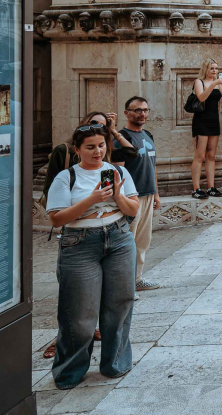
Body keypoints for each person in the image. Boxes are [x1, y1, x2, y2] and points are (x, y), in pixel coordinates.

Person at [46, 122, 140, 389]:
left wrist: (117, 194)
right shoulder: (67, 177)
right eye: (90, 147)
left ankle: (115, 363)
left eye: (101, 145)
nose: (97, 151)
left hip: (119, 237)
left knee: (120, 304)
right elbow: (56, 218)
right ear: (77, 150)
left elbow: (132, 209)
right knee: (79, 314)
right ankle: (69, 372)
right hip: (79, 243)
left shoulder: (117, 170)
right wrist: (92, 198)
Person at [114, 97, 161, 293]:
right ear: (126, 113)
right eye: (137, 110)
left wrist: (156, 193)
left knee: (143, 241)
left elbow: (152, 167)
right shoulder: (120, 138)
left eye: (145, 110)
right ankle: (123, 286)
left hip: (148, 194)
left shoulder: (148, 135)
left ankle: (137, 279)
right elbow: (118, 171)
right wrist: (123, 199)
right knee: (128, 241)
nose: (142, 114)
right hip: (131, 197)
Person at [191, 58, 222, 198]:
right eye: (212, 68)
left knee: (211, 156)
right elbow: (201, 97)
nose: (214, 71)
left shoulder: (218, 84)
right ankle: (196, 189)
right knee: (199, 156)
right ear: (206, 69)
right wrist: (214, 84)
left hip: (214, 121)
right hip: (201, 121)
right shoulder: (199, 82)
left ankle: (211, 187)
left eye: (216, 68)